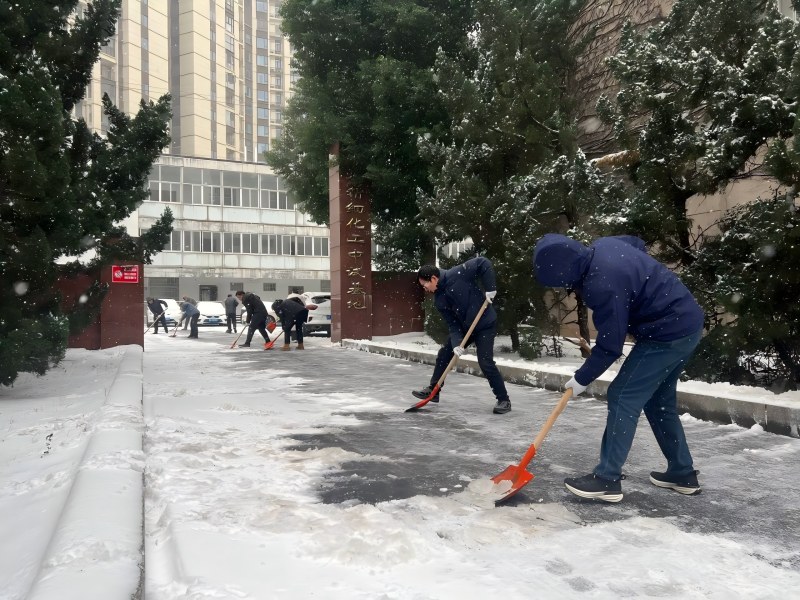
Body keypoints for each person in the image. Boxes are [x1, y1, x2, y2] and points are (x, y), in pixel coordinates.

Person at [533, 234, 705, 503]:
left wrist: (582, 378)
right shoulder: (604, 246)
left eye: (563, 284)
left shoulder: (602, 284)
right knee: (658, 401)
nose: (566, 289)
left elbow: (611, 345)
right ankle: (681, 472)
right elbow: (637, 243)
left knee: (622, 395)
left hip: (666, 332)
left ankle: (607, 479)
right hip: (685, 322)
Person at [413, 257, 511, 414]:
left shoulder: (458, 273)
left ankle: (504, 400)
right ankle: (434, 390)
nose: (425, 288)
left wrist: (490, 288)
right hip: (466, 328)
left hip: (485, 323)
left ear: (433, 278)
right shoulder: (439, 300)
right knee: (445, 353)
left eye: (425, 284)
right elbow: (453, 324)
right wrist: (457, 343)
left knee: (485, 361)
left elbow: (483, 263)